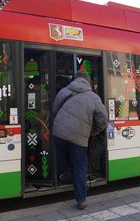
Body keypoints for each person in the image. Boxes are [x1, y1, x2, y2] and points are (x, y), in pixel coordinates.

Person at [52, 70, 107, 210]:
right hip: (80, 136)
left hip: (60, 132)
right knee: (80, 165)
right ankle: (81, 200)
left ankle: (63, 176)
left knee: (62, 157)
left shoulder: (63, 92)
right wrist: (94, 131)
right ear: (88, 82)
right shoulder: (93, 97)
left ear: (74, 79)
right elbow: (103, 119)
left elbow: (54, 110)